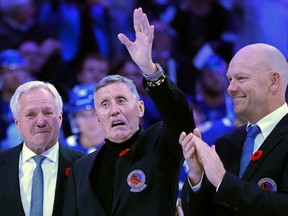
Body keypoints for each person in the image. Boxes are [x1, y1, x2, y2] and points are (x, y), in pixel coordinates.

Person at [63, 7, 195, 216]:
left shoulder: (160, 146)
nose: (114, 110)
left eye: (121, 100)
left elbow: (180, 117)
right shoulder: (81, 169)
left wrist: (149, 69)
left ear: (141, 108)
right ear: (98, 118)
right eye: (105, 104)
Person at [179, 43, 288, 215]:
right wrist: (197, 177)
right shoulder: (226, 142)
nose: (230, 88)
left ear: (273, 81)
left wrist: (224, 181)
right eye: (230, 79)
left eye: (241, 78)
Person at [0, 81, 85, 215]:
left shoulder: (84, 166)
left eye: (47, 113)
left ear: (60, 117)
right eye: (31, 115)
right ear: (17, 123)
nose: (40, 122)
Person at [64, 83, 105, 154]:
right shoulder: (63, 149)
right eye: (82, 115)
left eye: (94, 113)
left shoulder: (121, 145)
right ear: (74, 118)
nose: (90, 121)